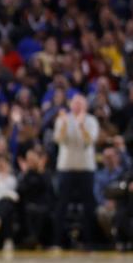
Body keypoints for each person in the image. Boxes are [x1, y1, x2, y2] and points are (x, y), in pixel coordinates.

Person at [53, 93, 99, 249]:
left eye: (81, 103)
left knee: (88, 205)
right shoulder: (62, 119)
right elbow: (59, 140)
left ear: (85, 106)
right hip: (66, 167)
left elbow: (89, 141)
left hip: (86, 167)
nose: (78, 106)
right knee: (61, 205)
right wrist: (66, 124)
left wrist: (80, 126)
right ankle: (58, 241)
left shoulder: (91, 120)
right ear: (70, 104)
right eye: (75, 102)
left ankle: (89, 241)